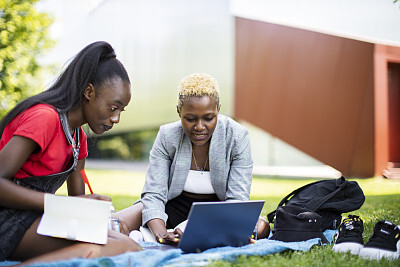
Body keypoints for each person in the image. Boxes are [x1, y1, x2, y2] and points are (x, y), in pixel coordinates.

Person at [0, 41, 141, 265]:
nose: (116, 119)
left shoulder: (78, 138)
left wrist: (91, 206)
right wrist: (61, 206)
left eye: (121, 110)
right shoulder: (45, 118)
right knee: (118, 249)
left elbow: (76, 203)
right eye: (113, 108)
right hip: (7, 221)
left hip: (36, 219)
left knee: (129, 245)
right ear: (89, 92)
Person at [118, 73, 270, 244]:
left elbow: (238, 199)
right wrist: (161, 234)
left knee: (262, 226)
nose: (199, 127)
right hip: (171, 208)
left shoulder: (237, 136)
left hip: (217, 211)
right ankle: (161, 233)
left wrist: (225, 225)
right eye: (190, 119)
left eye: (208, 118)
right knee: (117, 224)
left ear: (218, 110)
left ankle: (191, 232)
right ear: (179, 111)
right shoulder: (167, 136)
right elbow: (154, 194)